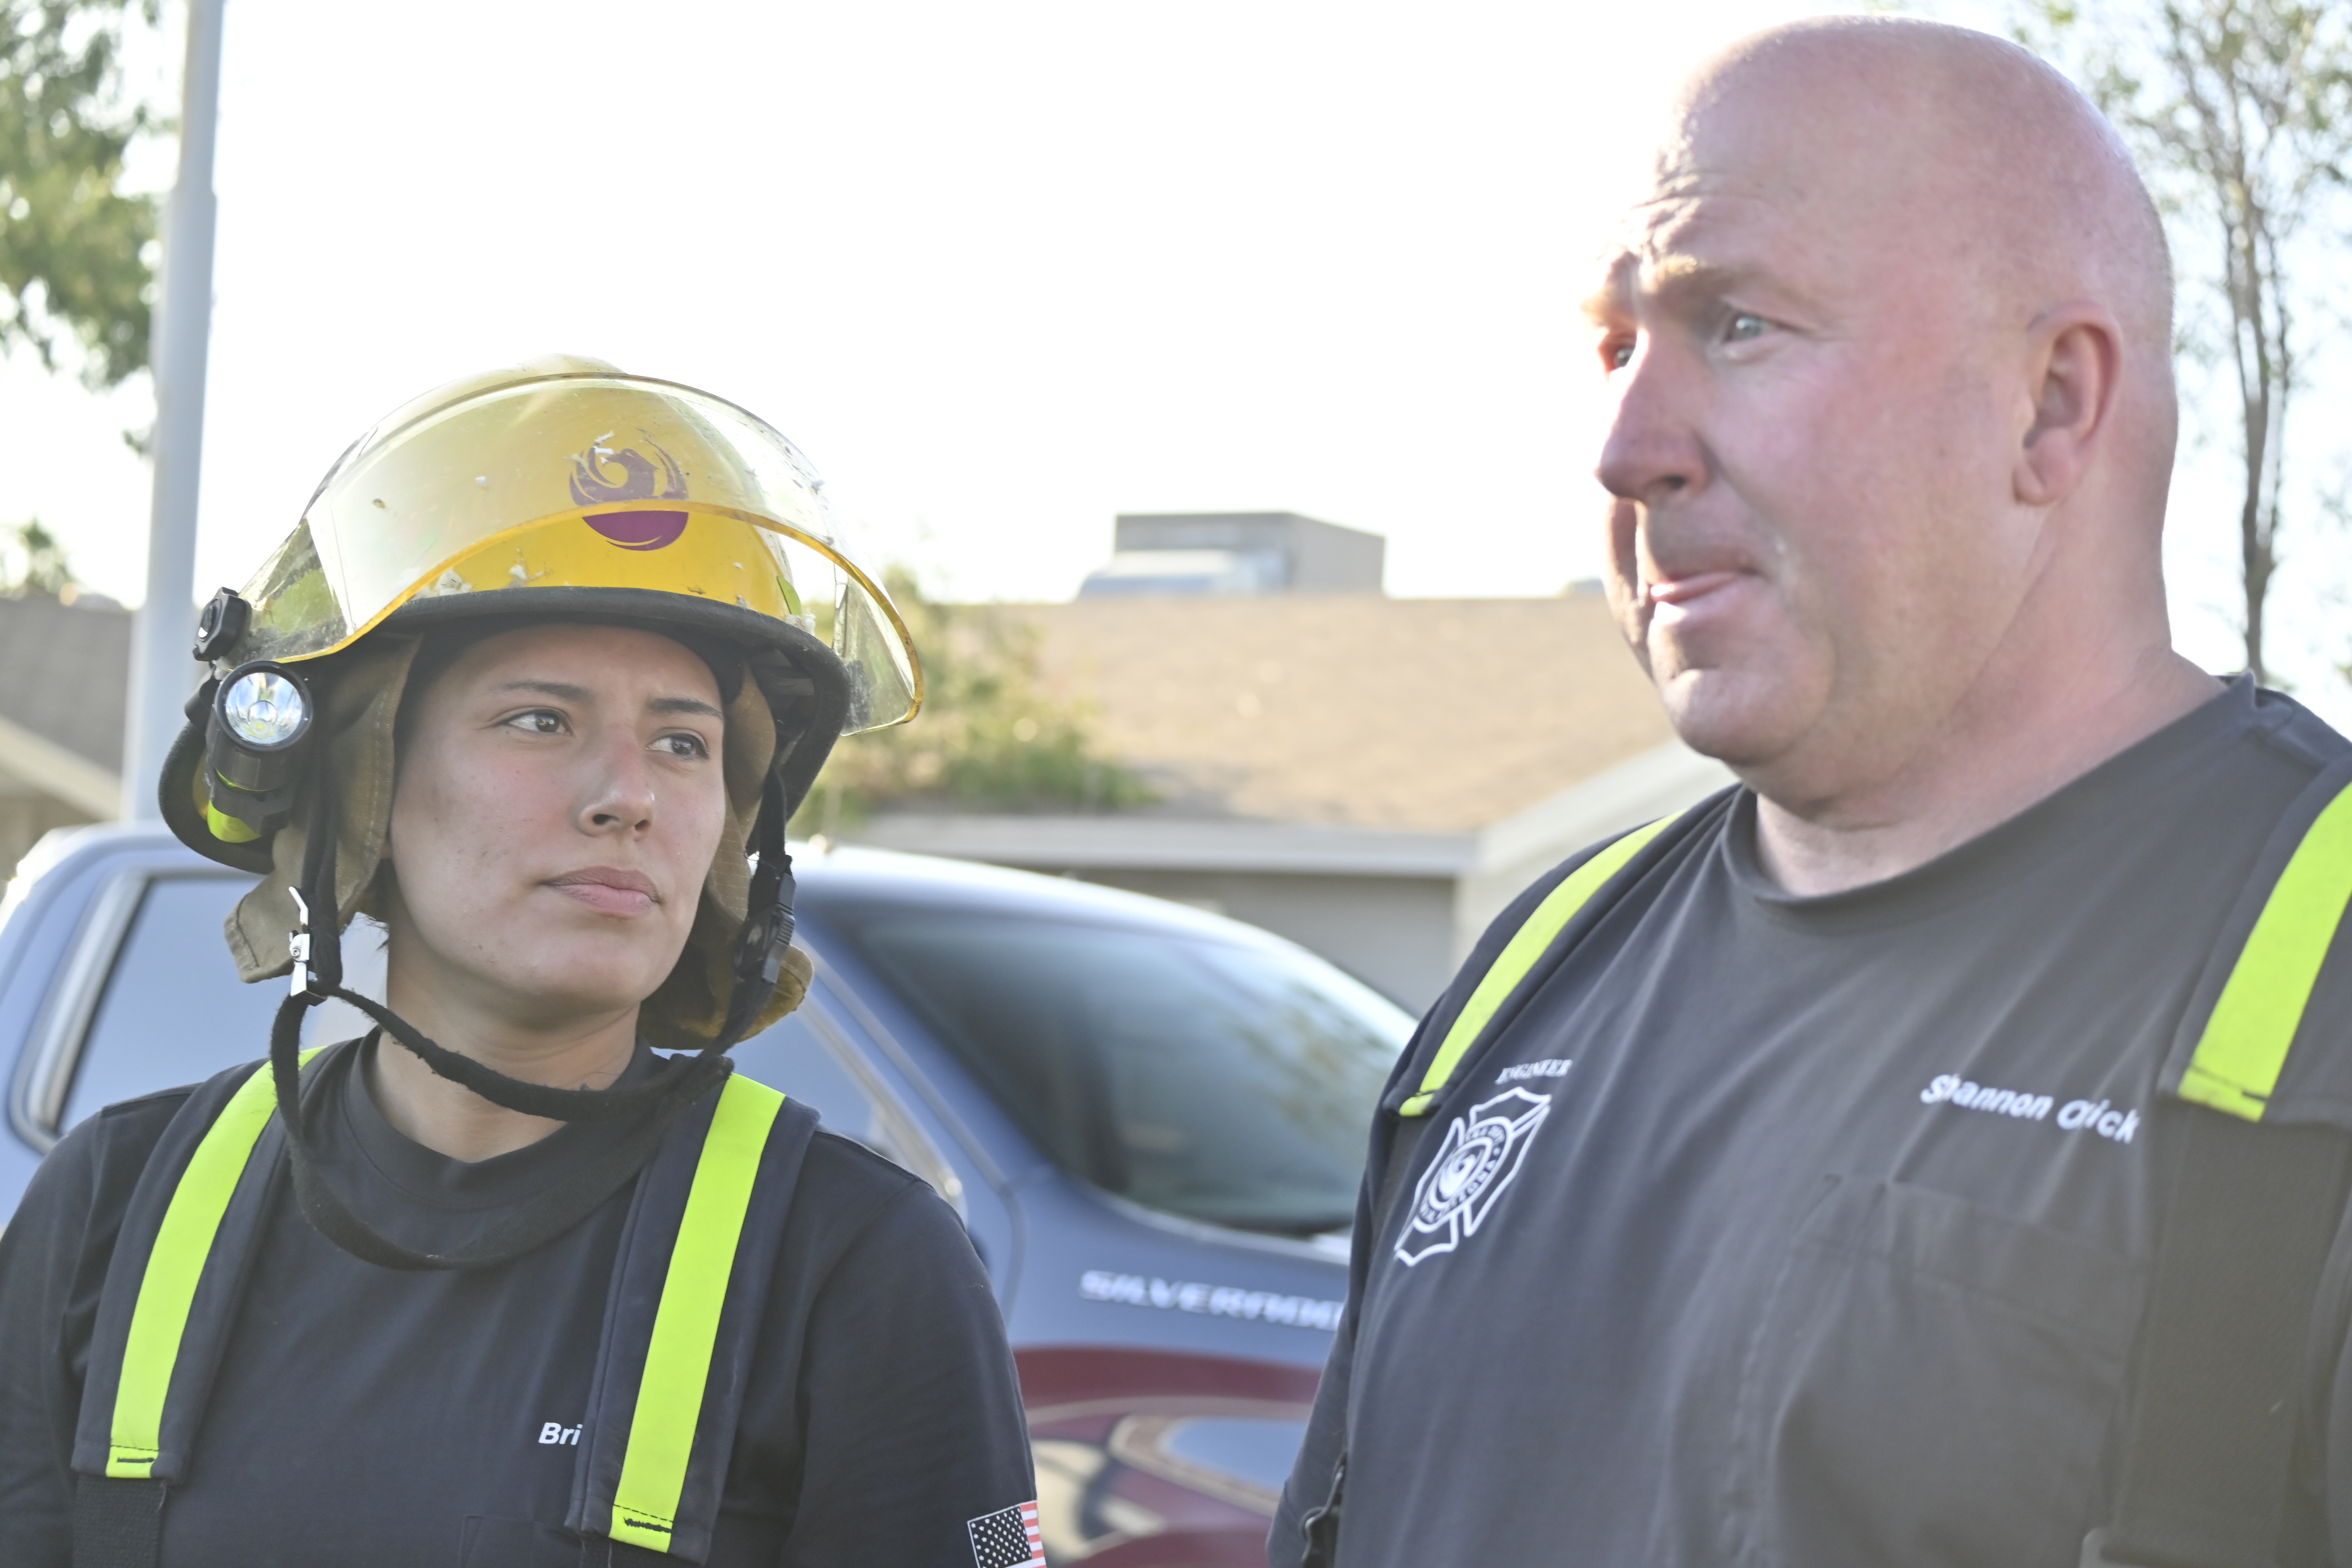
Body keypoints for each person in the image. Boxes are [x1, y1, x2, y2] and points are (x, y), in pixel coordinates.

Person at [1276, 18, 2352, 1568]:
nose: (1627, 448)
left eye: (1740, 326)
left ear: (2051, 404)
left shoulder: (2313, 990)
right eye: (1616, 346)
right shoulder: (1521, 985)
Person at [0, 358, 1046, 1566]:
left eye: (684, 742)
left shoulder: (859, 1263)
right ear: (360, 789)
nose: (628, 796)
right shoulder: (110, 1209)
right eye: (540, 720)